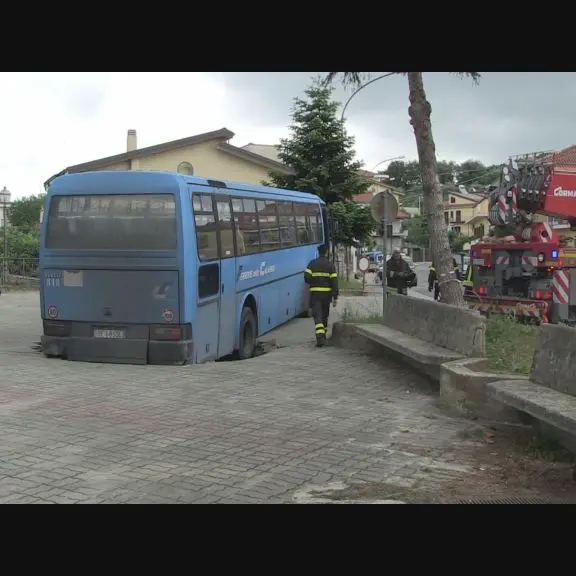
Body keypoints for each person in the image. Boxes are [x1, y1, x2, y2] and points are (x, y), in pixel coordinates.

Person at [304, 245, 338, 347]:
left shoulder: (312, 264)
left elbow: (306, 278)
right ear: (327, 252)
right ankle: (323, 337)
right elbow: (334, 283)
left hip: (315, 295)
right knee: (324, 316)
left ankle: (320, 339)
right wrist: (335, 297)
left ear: (318, 252)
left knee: (317, 317)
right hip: (326, 296)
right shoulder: (330, 265)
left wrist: (314, 281)